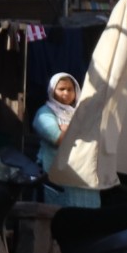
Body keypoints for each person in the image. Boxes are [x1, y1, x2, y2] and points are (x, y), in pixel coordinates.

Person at [31, 72, 100, 210]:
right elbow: (58, 138)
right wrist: (80, 130)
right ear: (52, 90)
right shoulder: (44, 113)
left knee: (87, 217)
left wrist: (68, 128)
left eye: (70, 89)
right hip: (57, 175)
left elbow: (98, 136)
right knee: (58, 215)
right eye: (61, 89)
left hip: (84, 173)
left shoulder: (81, 113)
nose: (66, 93)